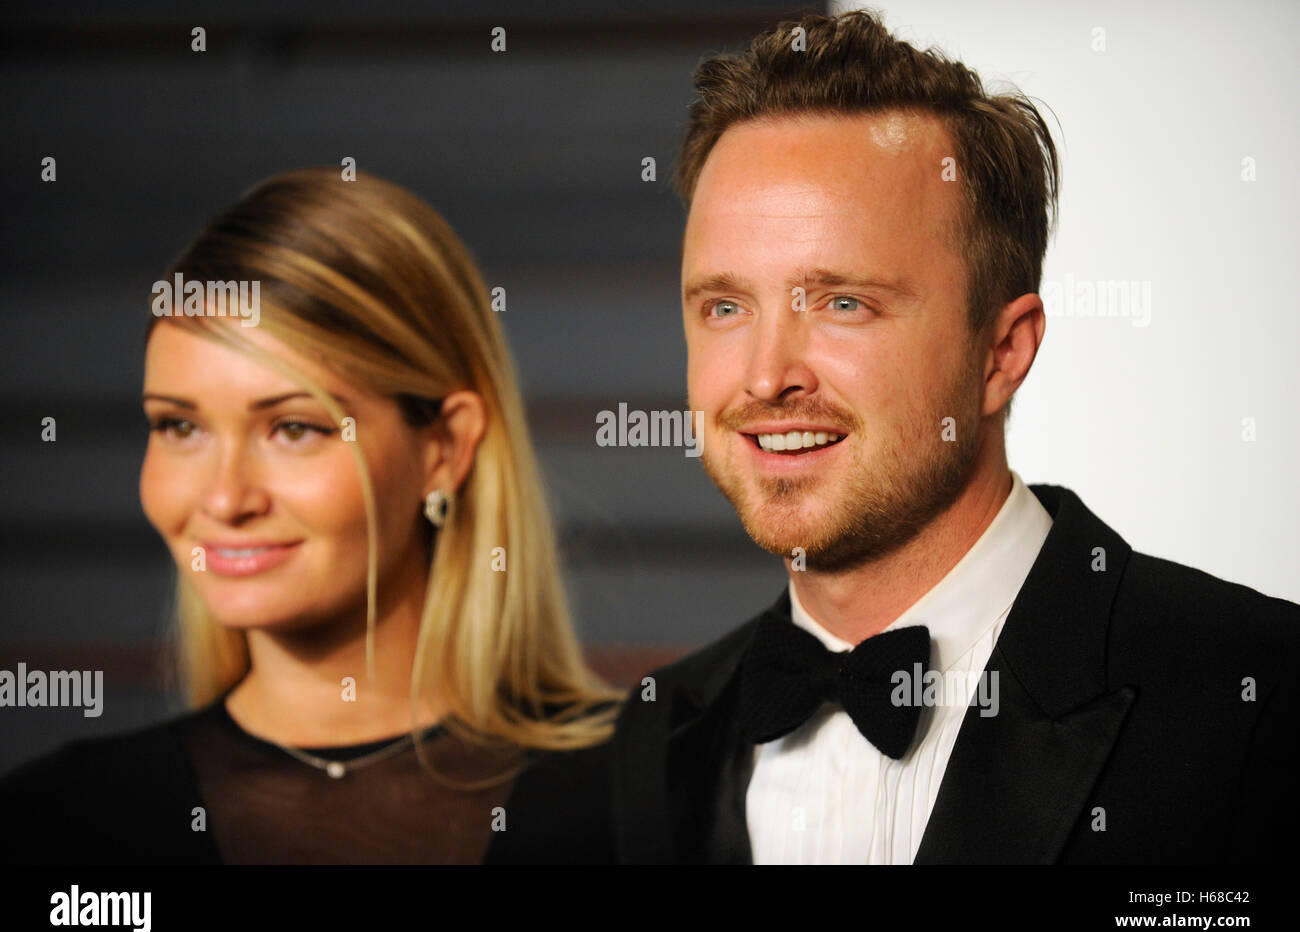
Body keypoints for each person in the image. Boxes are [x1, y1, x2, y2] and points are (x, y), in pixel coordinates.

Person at [487, 10, 1298, 864]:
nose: (767, 377)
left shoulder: (1259, 710)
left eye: (843, 303)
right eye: (725, 307)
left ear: (1002, 350)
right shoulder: (594, 785)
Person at [0, 167, 620, 864]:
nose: (226, 498)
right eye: (179, 427)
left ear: (443, 447)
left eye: (293, 428)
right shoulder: (58, 822)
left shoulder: (648, 802)